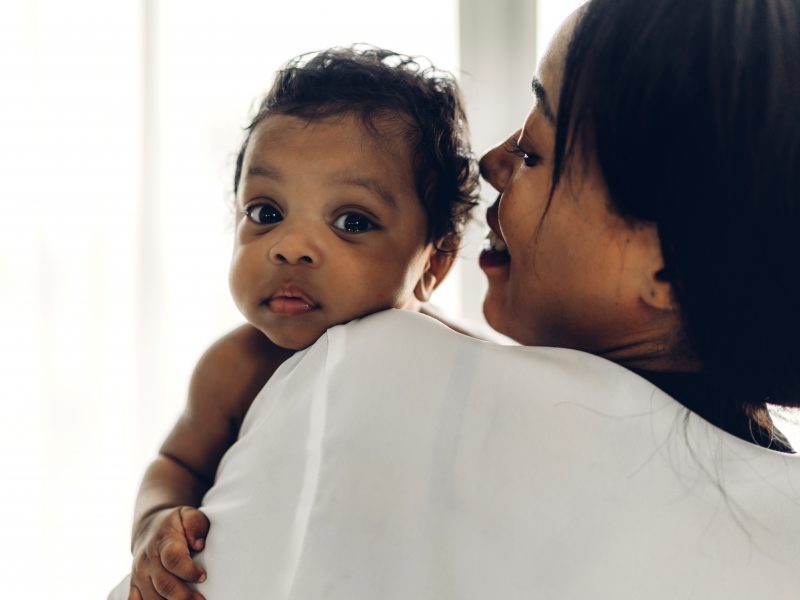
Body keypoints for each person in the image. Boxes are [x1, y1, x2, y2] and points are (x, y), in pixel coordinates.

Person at [117, 0, 800, 597]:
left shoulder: (377, 368)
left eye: (535, 151)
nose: (493, 163)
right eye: (264, 211)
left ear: (668, 263)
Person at [116, 45, 480, 600]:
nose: (291, 247)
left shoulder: (459, 360)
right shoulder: (236, 366)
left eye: (351, 220)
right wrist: (154, 525)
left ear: (433, 263)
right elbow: (175, 463)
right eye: (266, 213)